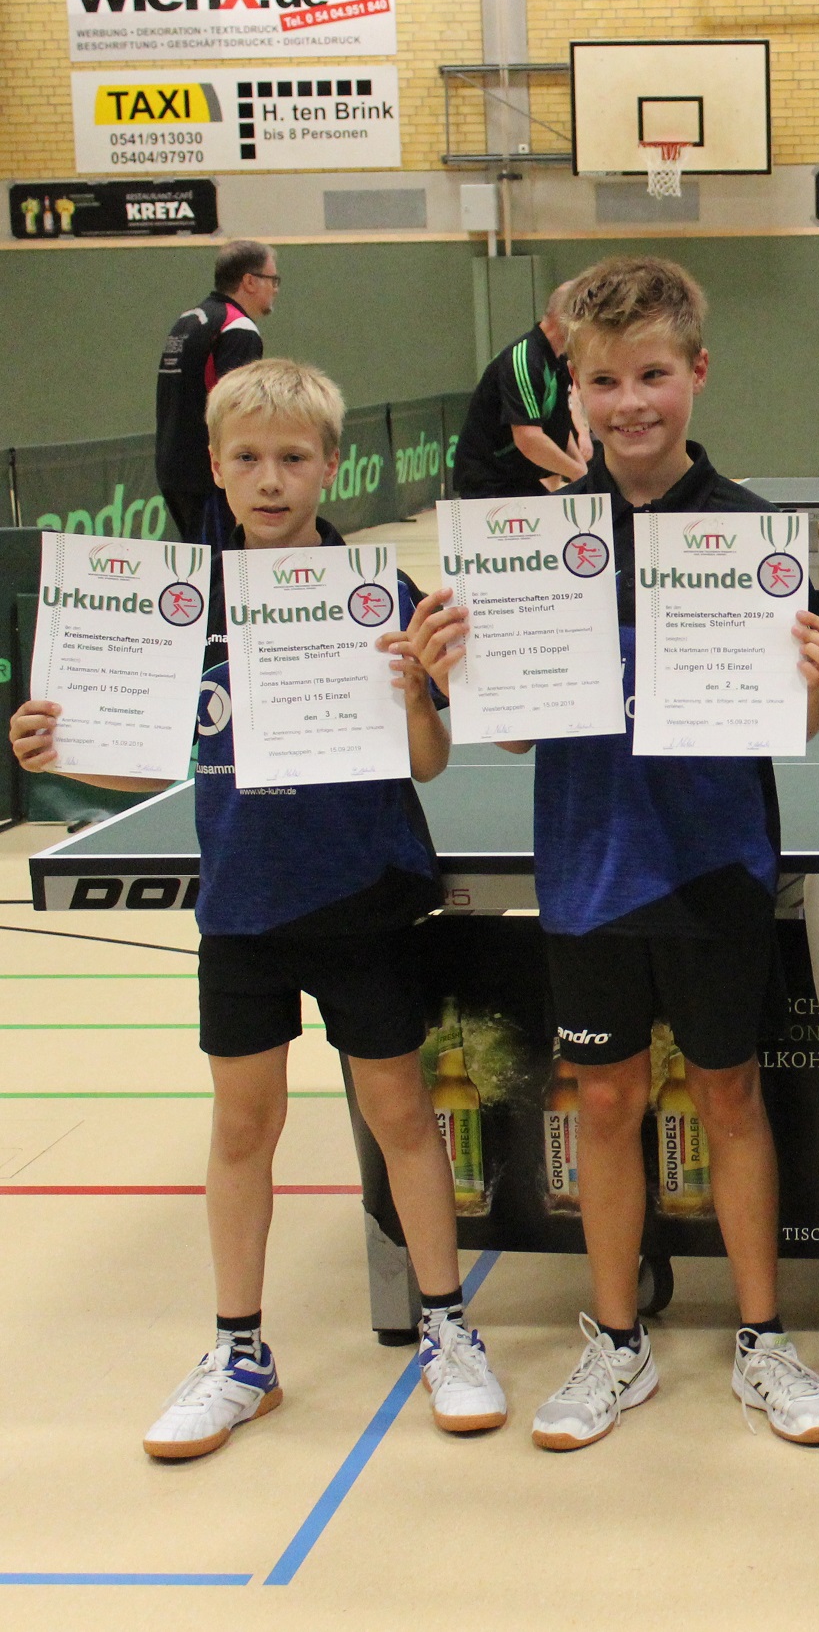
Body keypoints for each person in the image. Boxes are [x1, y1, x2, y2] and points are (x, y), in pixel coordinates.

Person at [10, 358, 508, 1458]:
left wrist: (411, 694)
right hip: (241, 905)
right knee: (242, 1127)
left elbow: (426, 761)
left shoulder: (378, 593)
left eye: (292, 457)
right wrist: (64, 754)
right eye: (248, 458)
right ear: (216, 468)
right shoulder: (185, 605)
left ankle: (446, 1325)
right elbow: (164, 760)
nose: (271, 478)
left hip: (364, 893)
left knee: (400, 1116)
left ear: (332, 465)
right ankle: (240, 1352)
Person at [410, 256, 819, 1454]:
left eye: (652, 374)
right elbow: (514, 729)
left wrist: (817, 681)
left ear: (696, 372)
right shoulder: (540, 540)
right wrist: (462, 671)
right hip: (590, 860)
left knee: (729, 1093)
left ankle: (762, 1340)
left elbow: (794, 726)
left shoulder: (750, 531)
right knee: (603, 1097)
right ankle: (617, 1341)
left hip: (714, 860)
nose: (629, 402)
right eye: (603, 381)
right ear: (574, 391)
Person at [156, 239, 279, 542]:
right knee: (219, 563)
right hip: (209, 475)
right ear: (249, 281)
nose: (275, 289)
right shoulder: (237, 329)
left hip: (171, 466)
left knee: (201, 559)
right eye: (272, 279)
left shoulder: (189, 320)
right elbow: (239, 410)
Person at [455, 282, 592, 497]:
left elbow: (558, 426)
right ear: (566, 318)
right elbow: (528, 439)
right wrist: (577, 473)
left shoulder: (558, 360)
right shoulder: (525, 360)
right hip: (488, 480)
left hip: (518, 478)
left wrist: (582, 471)